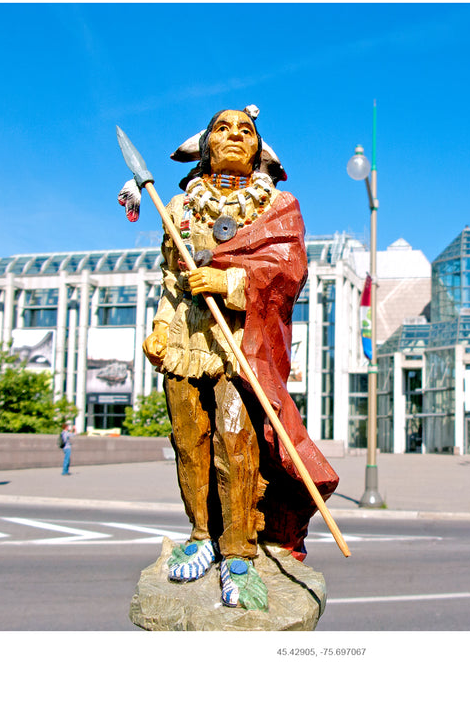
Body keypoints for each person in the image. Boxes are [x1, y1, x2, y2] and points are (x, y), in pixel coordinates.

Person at [117, 106, 339, 611]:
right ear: (205, 144)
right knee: (188, 440)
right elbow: (172, 277)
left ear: (259, 149)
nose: (235, 135)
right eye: (223, 128)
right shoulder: (178, 205)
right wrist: (158, 324)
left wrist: (229, 281)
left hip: (242, 341)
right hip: (185, 337)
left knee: (235, 440)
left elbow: (288, 272)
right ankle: (200, 532)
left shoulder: (275, 206)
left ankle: (238, 549)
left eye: (246, 130)